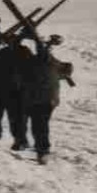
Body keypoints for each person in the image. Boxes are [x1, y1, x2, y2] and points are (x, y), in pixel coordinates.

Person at [24, 33, 74, 164]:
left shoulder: (31, 63)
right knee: (42, 124)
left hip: (36, 99)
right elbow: (67, 68)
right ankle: (42, 149)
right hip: (50, 100)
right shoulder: (54, 63)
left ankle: (42, 151)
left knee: (38, 125)